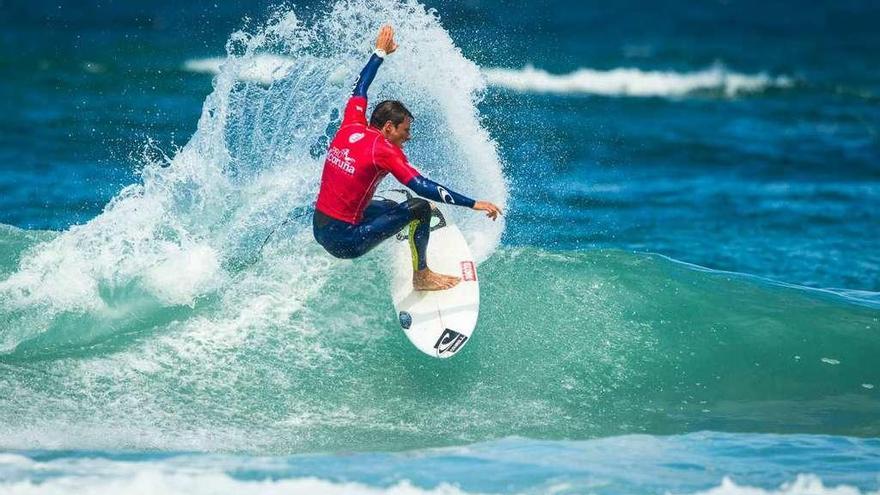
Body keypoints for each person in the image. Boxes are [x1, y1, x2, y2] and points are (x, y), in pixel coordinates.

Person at [313, 25, 502, 291]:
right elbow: (421, 185)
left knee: (395, 203)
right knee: (420, 207)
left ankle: (401, 225)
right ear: (388, 127)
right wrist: (473, 203)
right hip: (345, 242)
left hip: (320, 227)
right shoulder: (385, 150)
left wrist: (379, 52)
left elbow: (361, 86)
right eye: (405, 130)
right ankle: (422, 276)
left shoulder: (352, 123)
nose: (408, 137)